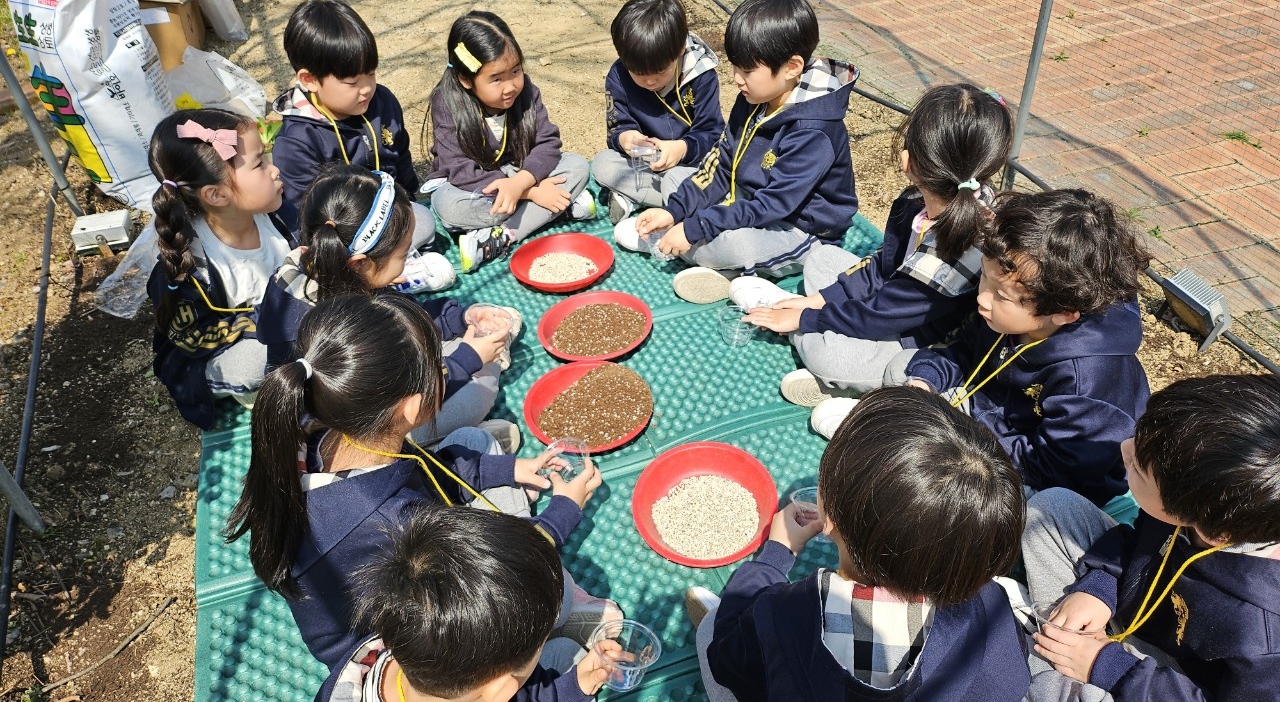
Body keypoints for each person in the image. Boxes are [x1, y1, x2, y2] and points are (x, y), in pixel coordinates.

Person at [225, 293, 611, 669]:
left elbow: (424, 470)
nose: (445, 372)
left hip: (400, 557)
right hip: (408, 641)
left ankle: (511, 494)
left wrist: (512, 470)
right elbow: (497, 576)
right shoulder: (398, 522)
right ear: (411, 406)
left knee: (471, 442)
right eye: (438, 368)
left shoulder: (326, 429)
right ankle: (557, 619)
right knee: (553, 590)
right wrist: (565, 509)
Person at [689, 386, 1030, 701]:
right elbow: (1012, 682)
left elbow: (727, 660)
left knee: (713, 631)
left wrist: (775, 557)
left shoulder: (788, 612)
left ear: (830, 520)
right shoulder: (992, 605)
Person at [730, 84, 1012, 419]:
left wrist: (804, 317)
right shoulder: (914, 202)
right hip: (892, 303)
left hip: (921, 340)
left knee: (831, 357)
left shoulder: (957, 249)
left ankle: (826, 365)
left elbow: (878, 316)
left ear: (912, 160)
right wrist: (818, 301)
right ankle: (805, 334)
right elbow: (880, 267)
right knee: (822, 259)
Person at [1022, 374, 1280, 701]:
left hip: (1163, 675)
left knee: (1080, 688)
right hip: (1129, 611)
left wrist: (1110, 668)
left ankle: (1060, 660)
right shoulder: (1207, 501)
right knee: (1055, 507)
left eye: (1139, 469)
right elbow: (1138, 543)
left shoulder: (1263, 633)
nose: (1123, 448)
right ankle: (1064, 644)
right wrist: (1099, 589)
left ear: (1211, 533)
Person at [888, 189, 1151, 507]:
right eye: (985, 278)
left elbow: (1055, 470)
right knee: (903, 368)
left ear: (1064, 311)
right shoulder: (1011, 316)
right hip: (981, 417)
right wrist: (926, 380)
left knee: (1036, 508)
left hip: (1039, 477)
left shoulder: (1091, 380)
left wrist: (958, 436)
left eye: (1001, 295)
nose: (983, 298)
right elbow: (963, 349)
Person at [625, 0, 859, 303]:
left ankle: (724, 265)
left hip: (800, 230)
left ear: (792, 67)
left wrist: (697, 226)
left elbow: (772, 205)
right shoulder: (752, 98)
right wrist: (674, 212)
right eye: (735, 66)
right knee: (675, 180)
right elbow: (720, 165)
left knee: (727, 246)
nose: (736, 78)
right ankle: (707, 254)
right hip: (748, 199)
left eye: (747, 70)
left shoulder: (812, 131)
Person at [255, 165, 516, 443]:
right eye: (404, 255)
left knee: (474, 339)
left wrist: (461, 316)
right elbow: (402, 400)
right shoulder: (346, 331)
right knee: (479, 391)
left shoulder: (323, 266)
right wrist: (471, 358)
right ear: (361, 264)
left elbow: (401, 315)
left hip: (372, 393)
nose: (407, 266)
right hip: (350, 435)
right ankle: (436, 450)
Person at [318, 505, 620, 702]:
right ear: (501, 692)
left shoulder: (378, 653)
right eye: (538, 645)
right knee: (566, 653)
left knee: (567, 655)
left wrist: (579, 683)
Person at [145, 108, 296, 430]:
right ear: (216, 195)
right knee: (254, 364)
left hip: (284, 321)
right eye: (260, 164)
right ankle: (255, 393)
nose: (275, 170)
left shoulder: (276, 213)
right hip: (224, 349)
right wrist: (280, 318)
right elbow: (196, 339)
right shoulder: (192, 269)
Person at [423, 11, 595, 273]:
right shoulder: (447, 103)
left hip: (521, 172)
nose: (510, 86)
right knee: (448, 206)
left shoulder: (526, 91)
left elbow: (548, 143)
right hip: (477, 186)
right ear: (466, 79)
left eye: (516, 71)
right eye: (496, 78)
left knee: (577, 165)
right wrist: (530, 192)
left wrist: (520, 181)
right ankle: (558, 207)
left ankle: (500, 236)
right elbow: (458, 170)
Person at [270, 0, 437, 253]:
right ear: (310, 79)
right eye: (352, 82)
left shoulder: (383, 101)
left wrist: (409, 194)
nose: (367, 88)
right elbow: (303, 216)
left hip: (390, 214)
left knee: (424, 222)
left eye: (371, 74)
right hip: (343, 239)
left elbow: (400, 154)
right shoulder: (297, 140)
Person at [594, 0, 723, 227]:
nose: (650, 82)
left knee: (681, 179)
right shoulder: (619, 75)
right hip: (647, 164)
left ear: (680, 50)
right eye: (640, 75)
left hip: (690, 167)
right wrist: (626, 138)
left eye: (660, 72)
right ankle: (672, 204)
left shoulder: (701, 76)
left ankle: (638, 199)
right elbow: (617, 126)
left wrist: (681, 148)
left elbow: (713, 135)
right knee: (603, 164)